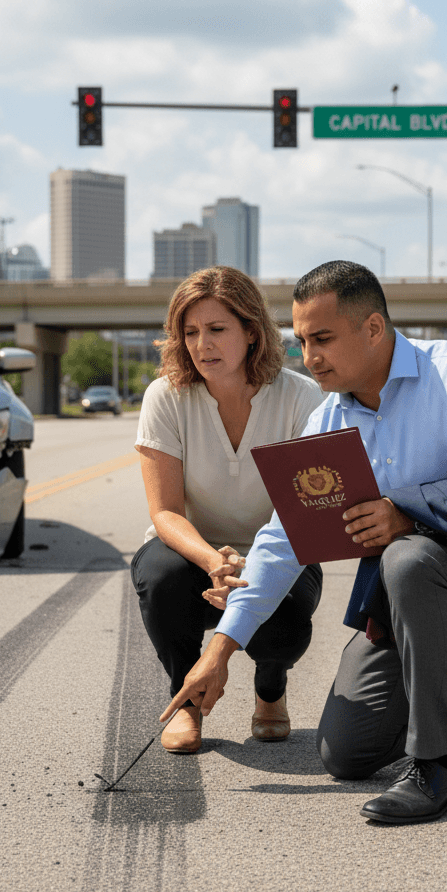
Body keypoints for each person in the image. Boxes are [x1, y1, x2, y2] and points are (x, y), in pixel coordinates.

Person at [162, 260, 447, 823]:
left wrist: (407, 511)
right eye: (302, 341)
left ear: (374, 329)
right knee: (346, 751)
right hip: (414, 603)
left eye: (324, 339)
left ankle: (436, 770)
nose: (309, 358)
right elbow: (284, 539)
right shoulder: (328, 420)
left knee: (407, 557)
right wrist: (219, 651)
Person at [133, 266, 324, 754]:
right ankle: (187, 702)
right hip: (194, 553)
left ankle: (271, 688)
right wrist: (214, 561)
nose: (202, 345)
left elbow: (309, 515)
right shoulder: (166, 397)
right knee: (160, 576)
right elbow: (166, 511)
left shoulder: (302, 398)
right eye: (190, 332)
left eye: (217, 329)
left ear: (252, 333)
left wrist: (250, 564)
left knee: (285, 625)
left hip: (279, 550)